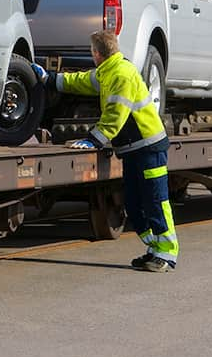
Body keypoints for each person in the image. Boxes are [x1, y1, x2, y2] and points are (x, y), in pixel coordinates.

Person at [33, 30, 179, 272]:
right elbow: (80, 81)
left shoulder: (121, 74)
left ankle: (167, 254)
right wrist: (50, 79)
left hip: (149, 148)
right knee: (134, 203)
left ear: (96, 53)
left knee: (155, 201)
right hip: (134, 149)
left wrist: (94, 140)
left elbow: (115, 116)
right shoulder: (108, 70)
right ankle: (154, 250)